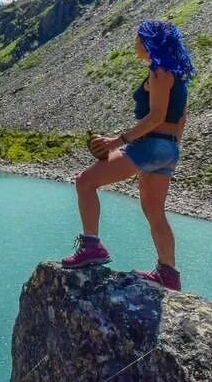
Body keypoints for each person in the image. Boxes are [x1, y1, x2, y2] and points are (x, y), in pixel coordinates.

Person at [59, 20, 195, 291]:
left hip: (151, 144)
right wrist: (170, 151)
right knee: (155, 211)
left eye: (137, 39)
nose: (134, 44)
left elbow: (155, 116)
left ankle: (91, 246)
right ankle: (168, 273)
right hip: (168, 148)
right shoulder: (177, 75)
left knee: (85, 181)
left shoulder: (158, 72)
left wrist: (116, 142)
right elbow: (180, 117)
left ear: (148, 42)